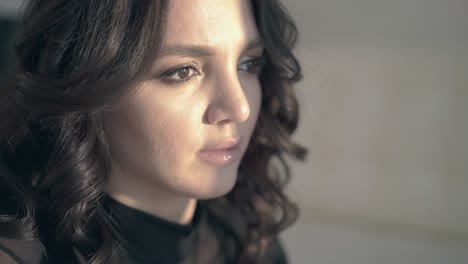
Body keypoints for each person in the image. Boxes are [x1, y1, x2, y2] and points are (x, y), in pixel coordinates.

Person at [0, 0, 306, 263]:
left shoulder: (247, 237)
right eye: (183, 71)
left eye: (248, 63)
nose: (239, 108)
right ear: (87, 84)